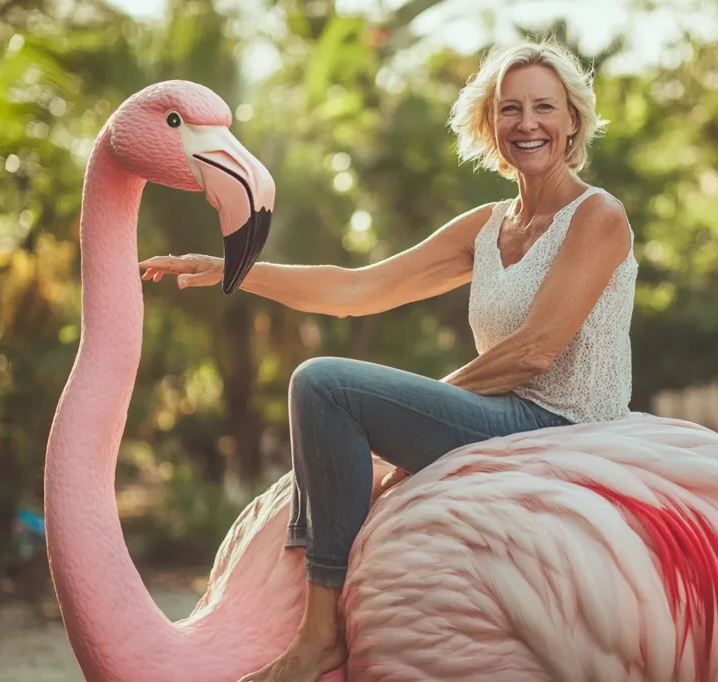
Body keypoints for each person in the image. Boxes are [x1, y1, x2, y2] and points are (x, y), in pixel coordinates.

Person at [139, 39, 636, 682]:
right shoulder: (486, 227)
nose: (528, 123)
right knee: (330, 390)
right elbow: (356, 289)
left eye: (545, 107)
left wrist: (403, 420)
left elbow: (536, 351)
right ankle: (303, 607)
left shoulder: (597, 215)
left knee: (323, 383)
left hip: (561, 425)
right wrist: (232, 271)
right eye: (510, 108)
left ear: (572, 120)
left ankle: (320, 638)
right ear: (490, 122)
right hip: (502, 414)